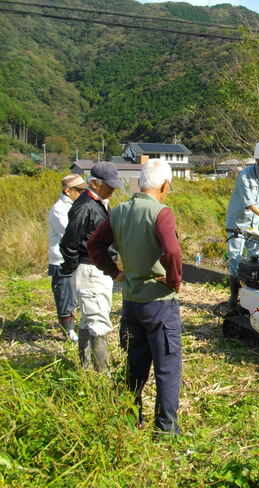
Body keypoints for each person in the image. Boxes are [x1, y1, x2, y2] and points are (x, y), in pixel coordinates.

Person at [88, 159, 183, 434]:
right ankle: (166, 430)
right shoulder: (161, 212)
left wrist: (115, 272)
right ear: (164, 186)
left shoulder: (119, 211)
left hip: (131, 302)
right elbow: (173, 252)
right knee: (167, 368)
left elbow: (94, 244)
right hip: (159, 304)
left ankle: (131, 421)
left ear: (141, 183)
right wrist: (174, 280)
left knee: (135, 366)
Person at [60, 162, 122, 372]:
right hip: (90, 269)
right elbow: (69, 243)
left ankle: (86, 367)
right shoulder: (85, 206)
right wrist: (72, 268)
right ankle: (102, 373)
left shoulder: (99, 202)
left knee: (88, 318)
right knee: (98, 320)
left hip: (98, 268)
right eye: (109, 186)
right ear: (94, 183)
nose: (112, 190)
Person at [224, 140, 259, 308]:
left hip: (253, 223)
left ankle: (252, 294)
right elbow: (248, 202)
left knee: (255, 256)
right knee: (235, 257)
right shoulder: (244, 175)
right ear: (257, 160)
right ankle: (234, 295)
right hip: (238, 221)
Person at [48, 174, 88, 342]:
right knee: (64, 295)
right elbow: (70, 233)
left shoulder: (76, 205)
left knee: (74, 295)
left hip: (75, 258)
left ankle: (73, 327)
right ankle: (69, 332)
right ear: (68, 190)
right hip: (62, 260)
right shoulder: (59, 209)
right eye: (79, 190)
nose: (83, 193)